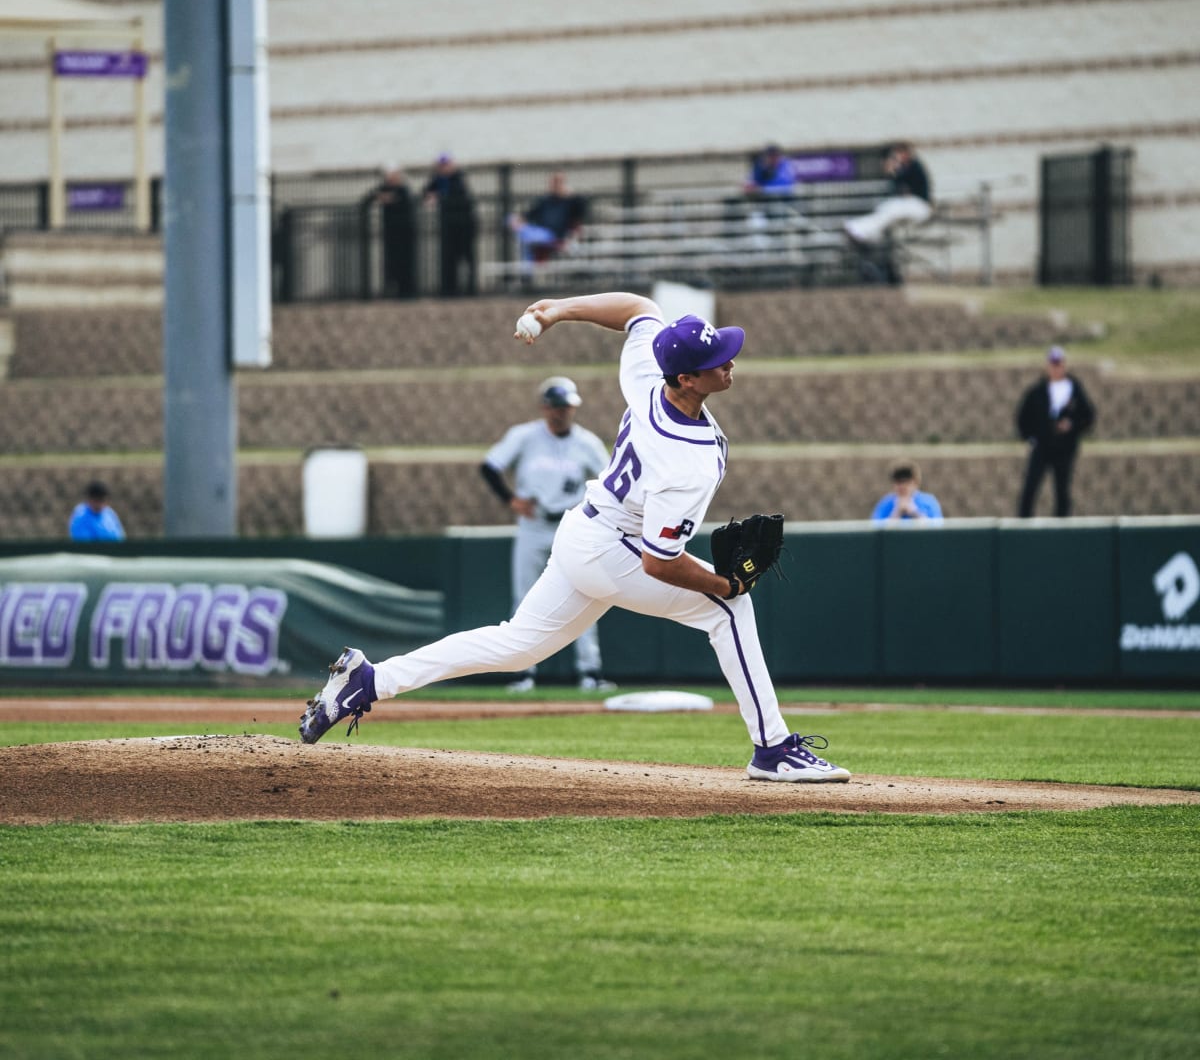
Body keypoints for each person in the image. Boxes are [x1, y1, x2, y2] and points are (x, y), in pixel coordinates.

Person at [299, 291, 850, 784]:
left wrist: (560, 309)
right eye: (714, 361)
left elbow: (638, 309)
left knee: (519, 645)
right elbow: (660, 563)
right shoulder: (687, 462)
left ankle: (369, 681)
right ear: (686, 378)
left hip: (584, 532)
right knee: (728, 613)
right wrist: (723, 584)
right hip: (616, 548)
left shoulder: (647, 380)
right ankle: (774, 749)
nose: (729, 362)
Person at [481, 375, 614, 693]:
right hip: (534, 524)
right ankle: (523, 672)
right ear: (544, 407)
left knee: (585, 593)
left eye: (566, 406)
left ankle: (590, 671)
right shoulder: (525, 437)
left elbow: (610, 481)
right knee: (525, 596)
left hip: (571, 526)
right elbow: (490, 466)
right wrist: (509, 499)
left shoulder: (586, 442)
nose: (561, 412)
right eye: (556, 406)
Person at [1016, 346, 1096, 518]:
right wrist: (1032, 437)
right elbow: (1023, 417)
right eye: (1053, 364)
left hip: (1065, 447)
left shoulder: (1074, 389)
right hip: (1042, 446)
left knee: (1062, 488)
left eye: (1059, 364)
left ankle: (1061, 524)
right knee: (1031, 486)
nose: (1056, 368)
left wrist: (1072, 426)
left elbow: (1088, 416)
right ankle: (1022, 523)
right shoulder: (1037, 391)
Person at [842, 142, 933, 248]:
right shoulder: (907, 167)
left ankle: (860, 229)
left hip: (920, 206)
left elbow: (903, 184)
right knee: (886, 210)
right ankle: (864, 231)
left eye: (898, 154)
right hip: (913, 205)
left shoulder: (913, 166)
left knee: (890, 209)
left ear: (906, 153)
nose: (896, 157)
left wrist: (893, 171)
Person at [422, 152, 477, 297]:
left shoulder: (458, 178)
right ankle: (449, 289)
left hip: (464, 226)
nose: (444, 168)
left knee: (467, 258)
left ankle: (471, 289)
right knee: (448, 258)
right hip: (448, 227)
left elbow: (458, 195)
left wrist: (438, 197)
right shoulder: (438, 179)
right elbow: (426, 192)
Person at [508, 171, 588, 270]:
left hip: (557, 236)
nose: (555, 185)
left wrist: (571, 194)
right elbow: (530, 214)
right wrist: (518, 220)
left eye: (559, 182)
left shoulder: (571, 201)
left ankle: (530, 267)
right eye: (554, 182)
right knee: (514, 223)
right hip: (540, 233)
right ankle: (528, 272)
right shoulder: (544, 200)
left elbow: (581, 211)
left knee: (530, 239)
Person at [363, 165, 417, 298]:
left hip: (405, 233)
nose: (392, 178)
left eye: (394, 175)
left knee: (406, 263)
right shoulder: (382, 189)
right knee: (391, 264)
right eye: (390, 175)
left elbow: (405, 201)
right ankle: (393, 289)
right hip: (390, 233)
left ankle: (407, 291)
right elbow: (366, 201)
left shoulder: (404, 189)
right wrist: (379, 197)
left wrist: (389, 199)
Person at [870, 459, 943, 523]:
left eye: (906, 482)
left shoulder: (929, 502)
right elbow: (875, 530)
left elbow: (938, 528)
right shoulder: (885, 504)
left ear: (916, 482)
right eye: (898, 482)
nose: (902, 486)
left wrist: (914, 512)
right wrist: (896, 513)